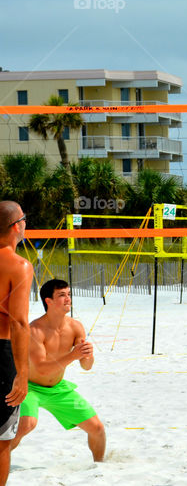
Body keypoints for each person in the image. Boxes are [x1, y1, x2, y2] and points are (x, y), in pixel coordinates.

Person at [10, 279, 105, 461]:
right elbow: (42, 369)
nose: (68, 299)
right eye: (62, 295)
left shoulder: (75, 327)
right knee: (26, 425)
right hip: (31, 387)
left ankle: (100, 468)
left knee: (98, 429)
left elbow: (86, 366)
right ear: (49, 301)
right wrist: (73, 355)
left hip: (59, 389)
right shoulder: (35, 330)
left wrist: (88, 355)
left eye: (69, 294)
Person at [0, 202, 30, 486]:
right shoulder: (18, 265)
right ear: (15, 226)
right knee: (1, 442)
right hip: (0, 353)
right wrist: (22, 374)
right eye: (24, 219)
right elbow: (19, 323)